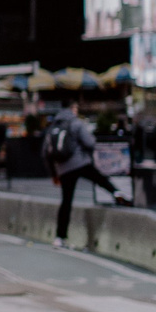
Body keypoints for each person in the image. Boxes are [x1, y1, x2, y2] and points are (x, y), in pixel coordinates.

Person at [41, 102, 103, 243]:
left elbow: (45, 153)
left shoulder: (53, 126)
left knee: (66, 201)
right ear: (72, 109)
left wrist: (54, 174)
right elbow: (90, 142)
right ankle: (119, 195)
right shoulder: (76, 123)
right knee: (101, 180)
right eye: (75, 108)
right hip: (80, 163)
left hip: (63, 169)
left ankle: (60, 237)